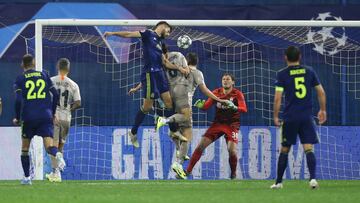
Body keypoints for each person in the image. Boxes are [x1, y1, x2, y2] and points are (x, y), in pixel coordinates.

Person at [104, 21, 180, 148]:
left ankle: (173, 132)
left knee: (169, 103)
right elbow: (128, 34)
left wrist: (180, 68)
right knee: (147, 107)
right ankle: (133, 132)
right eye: (168, 31)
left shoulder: (160, 42)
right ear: (163, 26)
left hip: (160, 74)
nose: (168, 34)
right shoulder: (148, 34)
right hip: (149, 75)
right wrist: (113, 33)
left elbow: (165, 63)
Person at [156, 51, 231, 179]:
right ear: (196, 62)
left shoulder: (180, 70)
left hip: (171, 100)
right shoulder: (197, 73)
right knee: (188, 134)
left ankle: (179, 152)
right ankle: (178, 163)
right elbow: (204, 90)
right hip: (185, 102)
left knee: (176, 133)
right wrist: (219, 100)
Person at [270, 46, 326, 189]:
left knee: (285, 149)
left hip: (290, 117)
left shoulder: (282, 74)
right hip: (306, 116)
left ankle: (278, 182)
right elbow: (321, 91)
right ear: (300, 57)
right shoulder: (309, 71)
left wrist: (275, 116)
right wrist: (323, 110)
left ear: (285, 57)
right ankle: (313, 179)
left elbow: (278, 98)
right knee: (308, 147)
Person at [183, 73, 247, 180]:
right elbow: (206, 107)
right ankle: (187, 171)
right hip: (217, 124)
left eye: (228, 79)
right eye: (223, 79)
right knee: (200, 145)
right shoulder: (216, 93)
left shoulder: (237, 94)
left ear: (233, 82)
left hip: (232, 125)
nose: (225, 81)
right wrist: (201, 106)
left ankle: (233, 174)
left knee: (232, 150)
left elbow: (244, 109)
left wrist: (235, 107)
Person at [13, 54, 66, 185]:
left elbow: (18, 99)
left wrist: (17, 117)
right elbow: (55, 94)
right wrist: (52, 113)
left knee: (25, 149)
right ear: (34, 63)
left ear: (22, 65)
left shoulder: (20, 79)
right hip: (45, 116)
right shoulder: (44, 75)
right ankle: (58, 155)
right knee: (49, 146)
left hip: (29, 116)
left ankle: (26, 178)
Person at [46, 58, 81, 182]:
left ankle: (55, 172)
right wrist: (68, 109)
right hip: (67, 119)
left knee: (52, 146)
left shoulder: (51, 81)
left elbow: (46, 98)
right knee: (60, 146)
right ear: (68, 69)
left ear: (57, 67)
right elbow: (78, 103)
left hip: (54, 117)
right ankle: (57, 174)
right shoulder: (73, 84)